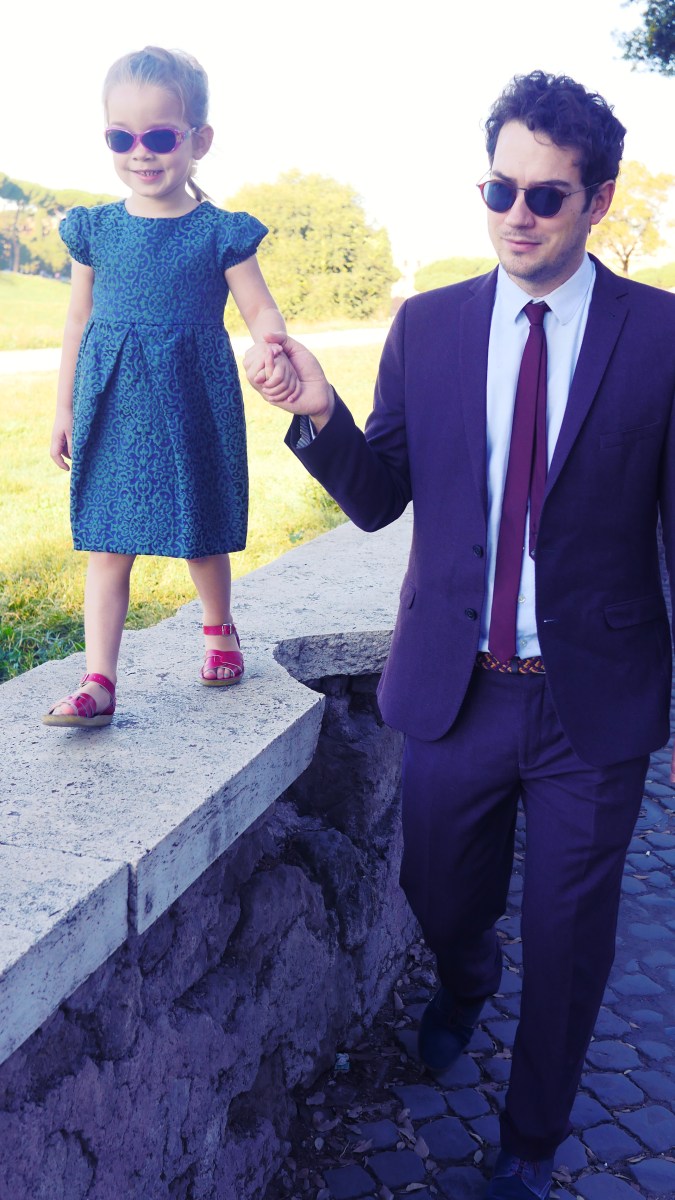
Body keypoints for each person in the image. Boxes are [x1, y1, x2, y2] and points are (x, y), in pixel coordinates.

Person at [245, 71, 675, 1200]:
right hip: (457, 687)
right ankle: (466, 973)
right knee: (440, 894)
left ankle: (528, 1145)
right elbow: (380, 497)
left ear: (598, 201)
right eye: (498, 189)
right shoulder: (428, 328)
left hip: (594, 705)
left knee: (570, 939)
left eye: (545, 195)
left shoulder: (661, 336)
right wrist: (319, 413)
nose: (516, 216)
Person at [44, 45, 297, 728]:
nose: (141, 153)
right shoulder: (97, 230)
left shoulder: (219, 233)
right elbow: (77, 322)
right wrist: (64, 406)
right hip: (113, 403)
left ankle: (219, 630)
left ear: (198, 140)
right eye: (120, 138)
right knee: (107, 539)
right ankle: (99, 679)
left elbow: (259, 307)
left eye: (159, 137)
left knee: (200, 527)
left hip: (192, 399)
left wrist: (270, 342)